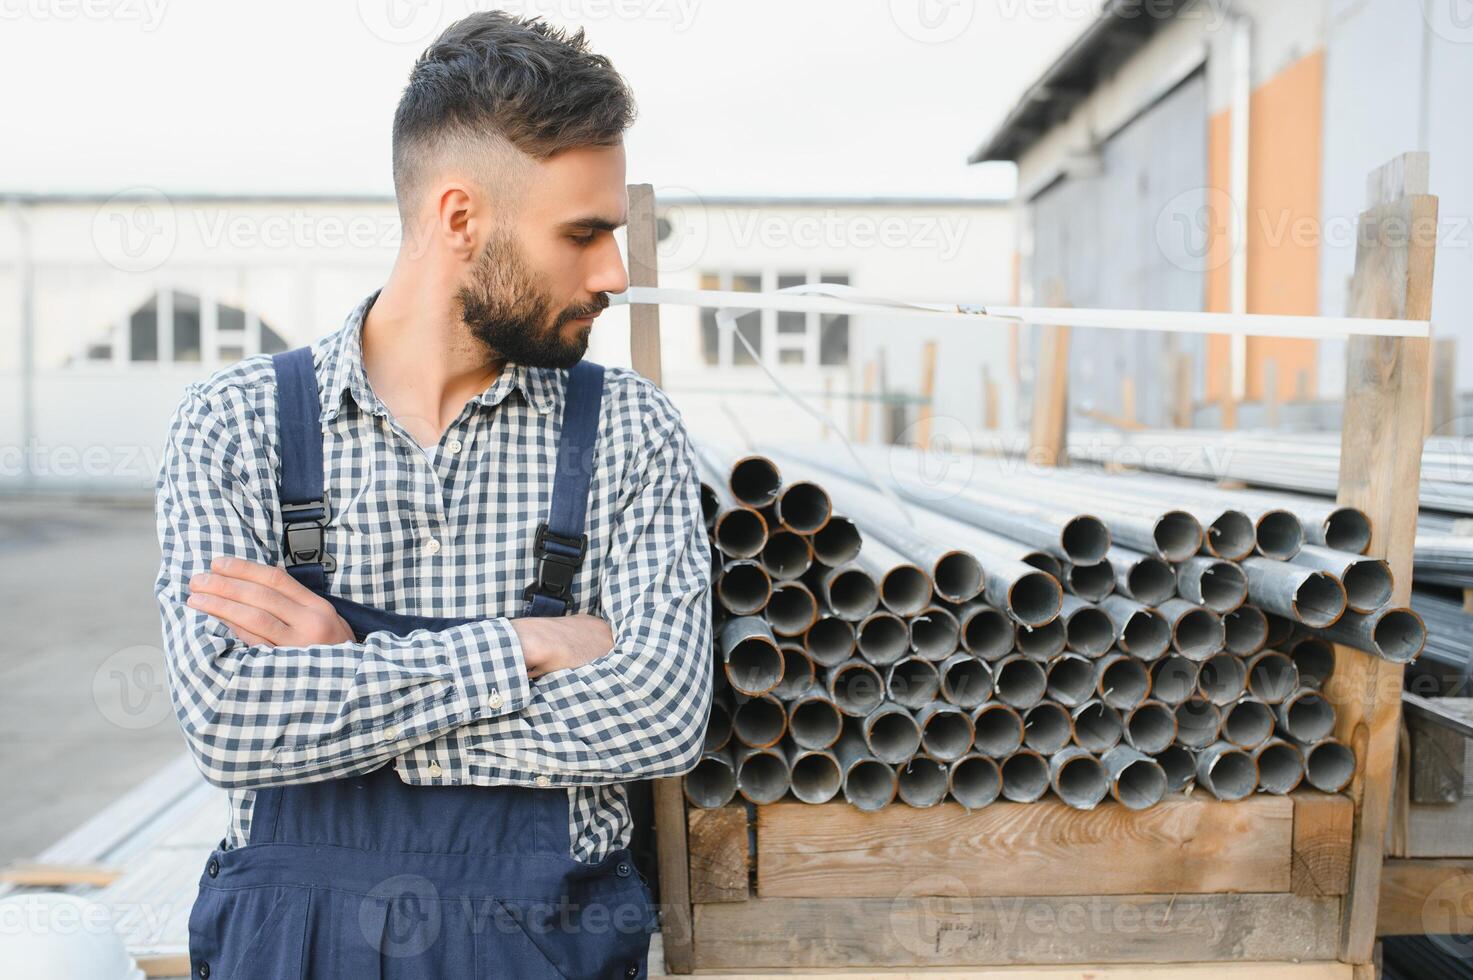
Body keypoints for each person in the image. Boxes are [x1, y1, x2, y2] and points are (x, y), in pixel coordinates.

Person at [153, 12, 713, 978]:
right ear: (460, 219)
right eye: (583, 234)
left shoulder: (629, 430)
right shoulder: (235, 423)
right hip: (296, 946)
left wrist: (347, 676)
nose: (614, 273)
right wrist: (524, 647)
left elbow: (658, 713)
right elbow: (230, 722)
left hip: (542, 946)